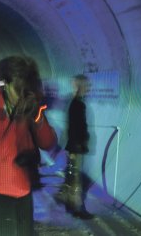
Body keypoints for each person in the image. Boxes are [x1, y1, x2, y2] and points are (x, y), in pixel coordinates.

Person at [0, 56, 58, 236]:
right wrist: (20, 117)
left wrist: (37, 117)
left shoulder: (29, 107)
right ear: (5, 83)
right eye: (17, 89)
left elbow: (48, 142)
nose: (20, 96)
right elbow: (0, 146)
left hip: (22, 190)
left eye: (25, 90)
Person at [54, 74, 94, 219]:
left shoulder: (74, 103)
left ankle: (69, 204)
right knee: (75, 179)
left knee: (72, 177)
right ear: (80, 86)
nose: (88, 89)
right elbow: (76, 128)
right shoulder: (78, 104)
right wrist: (77, 146)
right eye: (86, 86)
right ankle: (77, 208)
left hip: (74, 147)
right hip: (75, 148)